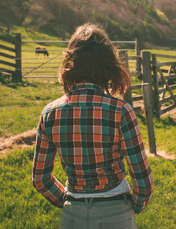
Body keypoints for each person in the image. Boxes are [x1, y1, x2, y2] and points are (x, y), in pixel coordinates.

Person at [32, 23, 154, 229]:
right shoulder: (121, 111)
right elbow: (143, 180)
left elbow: (40, 179)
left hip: (73, 213)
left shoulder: (50, 113)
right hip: (116, 212)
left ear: (69, 63)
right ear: (109, 66)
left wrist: (68, 202)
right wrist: (135, 206)